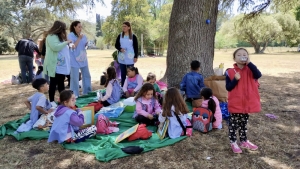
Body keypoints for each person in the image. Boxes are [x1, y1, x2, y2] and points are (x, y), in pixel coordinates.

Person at [226, 48, 262, 153]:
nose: (242, 56)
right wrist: (235, 80)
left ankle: (243, 140)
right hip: (235, 103)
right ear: (234, 58)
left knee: (243, 124)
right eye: (239, 55)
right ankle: (233, 142)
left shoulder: (251, 69)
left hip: (247, 104)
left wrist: (249, 63)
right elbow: (228, 87)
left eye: (244, 55)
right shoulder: (230, 72)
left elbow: (258, 75)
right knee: (233, 124)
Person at [44, 21, 72, 102]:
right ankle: (52, 101)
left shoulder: (58, 36)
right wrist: (66, 42)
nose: (64, 30)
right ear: (59, 28)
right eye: (63, 28)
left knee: (61, 84)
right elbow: (55, 47)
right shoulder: (51, 36)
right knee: (53, 83)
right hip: (55, 65)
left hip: (61, 64)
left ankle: (64, 100)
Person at [68, 21, 92, 97]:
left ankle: (87, 93)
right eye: (79, 27)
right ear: (74, 27)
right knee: (75, 78)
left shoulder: (83, 36)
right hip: (74, 59)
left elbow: (85, 46)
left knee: (87, 76)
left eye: (81, 27)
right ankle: (75, 95)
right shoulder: (70, 35)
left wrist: (86, 45)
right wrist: (79, 38)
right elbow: (73, 46)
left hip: (83, 58)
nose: (80, 28)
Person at [115, 21, 139, 86]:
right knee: (123, 74)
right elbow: (116, 45)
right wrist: (120, 49)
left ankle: (131, 87)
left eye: (125, 26)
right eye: (123, 26)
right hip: (122, 57)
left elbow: (136, 47)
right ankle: (123, 88)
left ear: (129, 27)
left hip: (130, 57)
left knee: (131, 73)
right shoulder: (120, 36)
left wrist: (136, 57)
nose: (123, 28)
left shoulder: (133, 36)